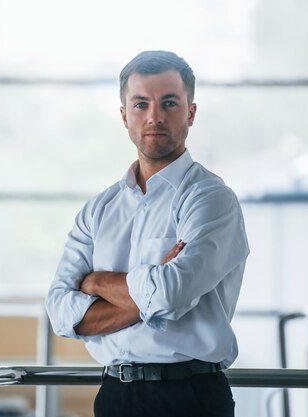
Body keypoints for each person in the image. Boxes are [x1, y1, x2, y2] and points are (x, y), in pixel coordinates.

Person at [45, 50, 249, 417]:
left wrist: (95, 282)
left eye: (169, 103)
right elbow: (61, 311)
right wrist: (152, 288)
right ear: (124, 115)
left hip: (191, 397)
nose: (154, 116)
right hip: (114, 396)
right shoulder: (99, 210)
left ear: (191, 112)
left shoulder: (211, 200)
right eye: (141, 104)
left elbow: (172, 293)